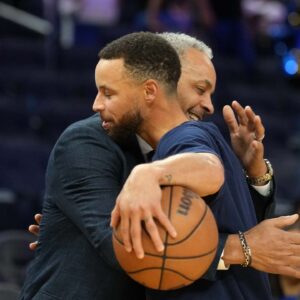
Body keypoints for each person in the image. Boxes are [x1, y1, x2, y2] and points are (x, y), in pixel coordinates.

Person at [21, 32, 300, 300]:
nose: (209, 105)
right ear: (162, 79)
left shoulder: (189, 140)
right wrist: (241, 248)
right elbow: (123, 245)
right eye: (200, 89)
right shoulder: (87, 142)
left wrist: (253, 172)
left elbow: (234, 218)